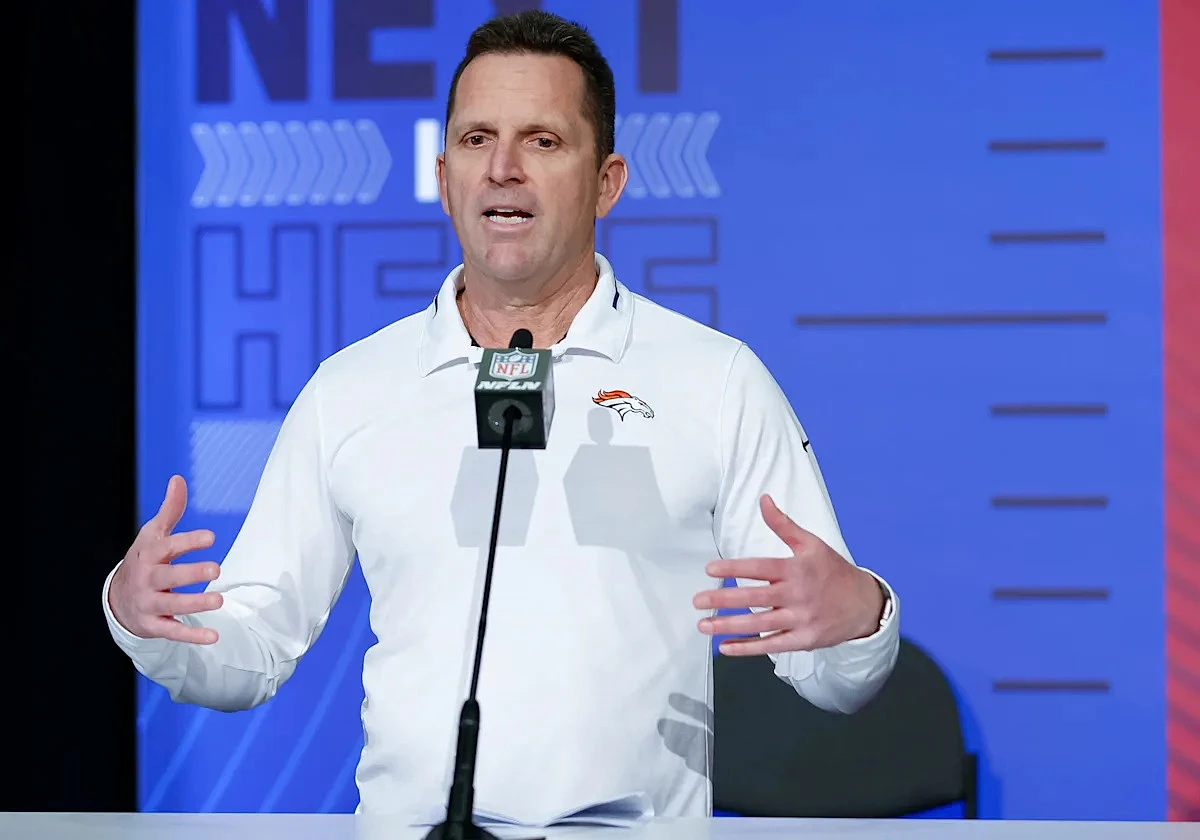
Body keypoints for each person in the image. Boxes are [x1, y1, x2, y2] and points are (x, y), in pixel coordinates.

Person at [103, 9, 900, 825]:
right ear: (443, 174)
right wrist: (150, 624)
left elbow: (833, 677)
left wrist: (860, 619)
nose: (503, 169)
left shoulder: (716, 382)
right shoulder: (350, 392)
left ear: (607, 182)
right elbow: (249, 650)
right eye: (477, 140)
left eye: (542, 141)